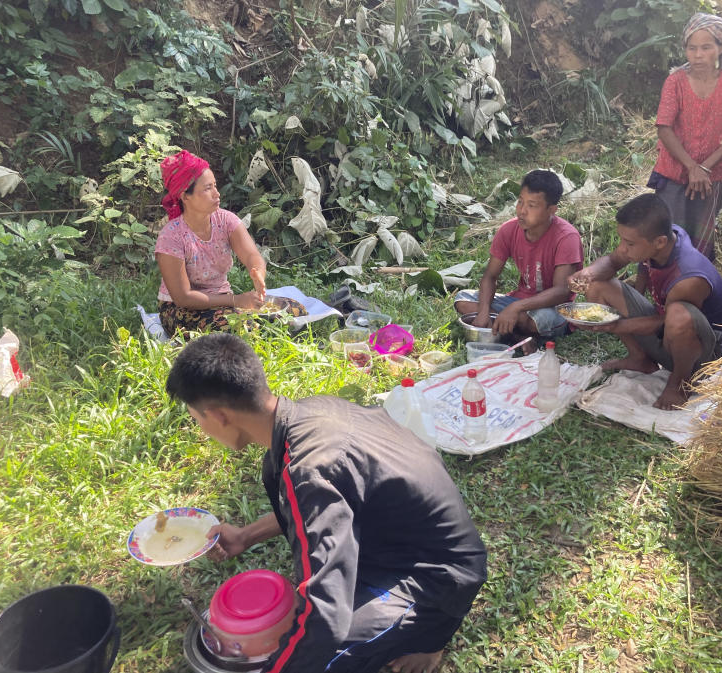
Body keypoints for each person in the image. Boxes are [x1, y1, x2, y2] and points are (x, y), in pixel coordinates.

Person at [165, 333, 487, 673]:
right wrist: (246, 536)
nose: (200, 429)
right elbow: (323, 505)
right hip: (396, 545)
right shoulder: (307, 414)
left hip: (436, 578)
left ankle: (429, 635)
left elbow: (325, 613)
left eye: (196, 418)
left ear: (218, 416)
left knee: (316, 656)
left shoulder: (308, 467)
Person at [568, 193, 722, 410]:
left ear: (660, 242)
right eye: (622, 240)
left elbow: (665, 322)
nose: (623, 248)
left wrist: (613, 324)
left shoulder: (689, 277)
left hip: (701, 356)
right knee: (598, 284)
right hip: (665, 332)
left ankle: (680, 383)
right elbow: (614, 260)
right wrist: (588, 273)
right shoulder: (661, 238)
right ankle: (640, 358)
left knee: (678, 315)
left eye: (629, 243)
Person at [154, 151, 304, 335]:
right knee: (239, 328)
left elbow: (252, 255)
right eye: (208, 188)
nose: (217, 194)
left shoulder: (226, 221)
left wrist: (258, 272)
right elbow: (184, 298)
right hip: (180, 309)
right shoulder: (172, 237)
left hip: (223, 301)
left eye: (215, 186)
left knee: (295, 308)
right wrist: (235, 301)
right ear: (186, 196)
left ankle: (265, 332)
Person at [649, 12, 722, 260]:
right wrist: (692, 167)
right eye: (692, 48)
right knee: (661, 237)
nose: (698, 54)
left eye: (706, 47)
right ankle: (650, 290)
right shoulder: (676, 82)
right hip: (673, 173)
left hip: (709, 177)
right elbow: (664, 127)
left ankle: (695, 292)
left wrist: (704, 168)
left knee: (700, 242)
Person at [454, 169, 583, 351]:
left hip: (553, 309)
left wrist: (515, 308)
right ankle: (518, 337)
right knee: (463, 299)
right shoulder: (508, 230)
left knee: (538, 320)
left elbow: (561, 292)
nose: (522, 211)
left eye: (532, 205)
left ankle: (508, 329)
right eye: (520, 202)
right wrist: (483, 312)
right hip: (518, 302)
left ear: (551, 210)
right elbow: (490, 276)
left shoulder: (566, 237)